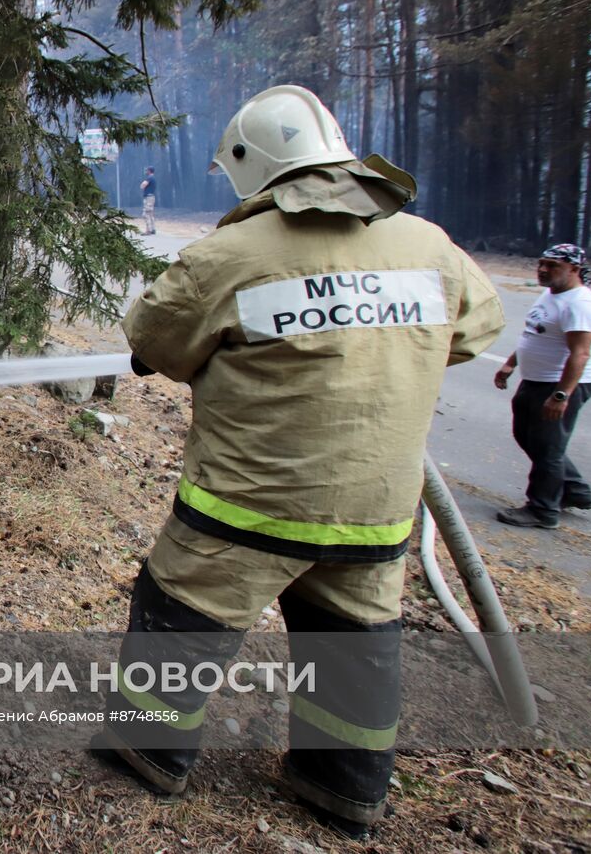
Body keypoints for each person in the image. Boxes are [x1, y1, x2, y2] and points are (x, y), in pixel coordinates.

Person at [94, 85, 503, 837]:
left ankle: (146, 752)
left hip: (244, 511)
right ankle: (342, 786)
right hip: (375, 515)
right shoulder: (430, 245)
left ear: (251, 168)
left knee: (180, 611)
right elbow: (474, 329)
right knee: (355, 639)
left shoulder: (229, 256)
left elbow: (155, 342)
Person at [493, 244, 591, 528]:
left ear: (575, 269)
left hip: (558, 384)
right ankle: (575, 491)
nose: (543, 270)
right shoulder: (551, 293)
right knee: (529, 437)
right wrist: (511, 363)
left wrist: (561, 394)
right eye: (541, 263)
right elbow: (535, 333)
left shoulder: (580, 304)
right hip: (536, 379)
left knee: (548, 448)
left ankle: (543, 510)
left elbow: (580, 354)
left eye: (552, 266)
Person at [139, 167, 158, 234]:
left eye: (147, 170)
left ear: (149, 171)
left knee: (146, 214)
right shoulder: (153, 178)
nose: (146, 171)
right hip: (151, 197)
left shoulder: (149, 178)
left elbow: (142, 185)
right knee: (150, 214)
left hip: (148, 198)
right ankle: (153, 229)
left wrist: (142, 185)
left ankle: (148, 230)